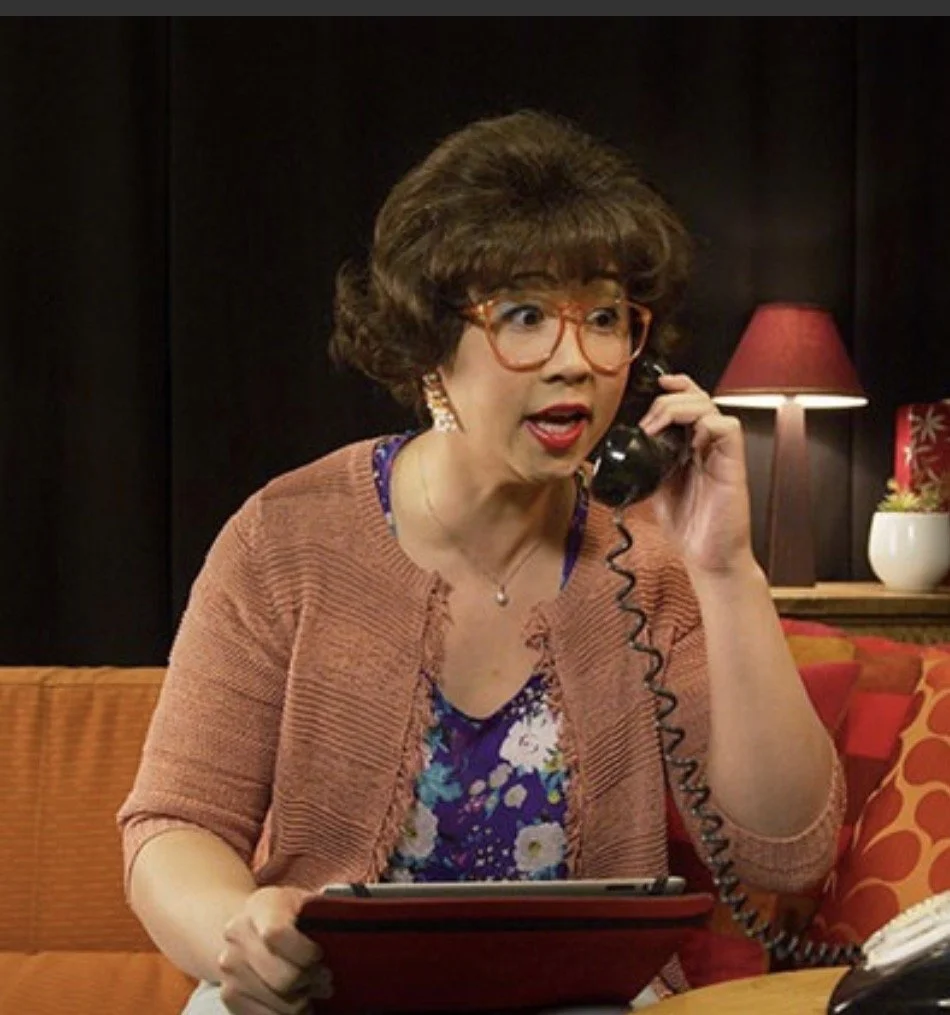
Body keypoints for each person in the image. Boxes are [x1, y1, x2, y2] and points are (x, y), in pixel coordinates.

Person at [117, 109, 844, 1015]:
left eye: (607, 318)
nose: (575, 361)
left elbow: (786, 852)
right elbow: (171, 825)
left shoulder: (649, 563)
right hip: (320, 1000)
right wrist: (242, 937)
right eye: (526, 315)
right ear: (430, 346)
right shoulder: (286, 537)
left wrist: (727, 568)